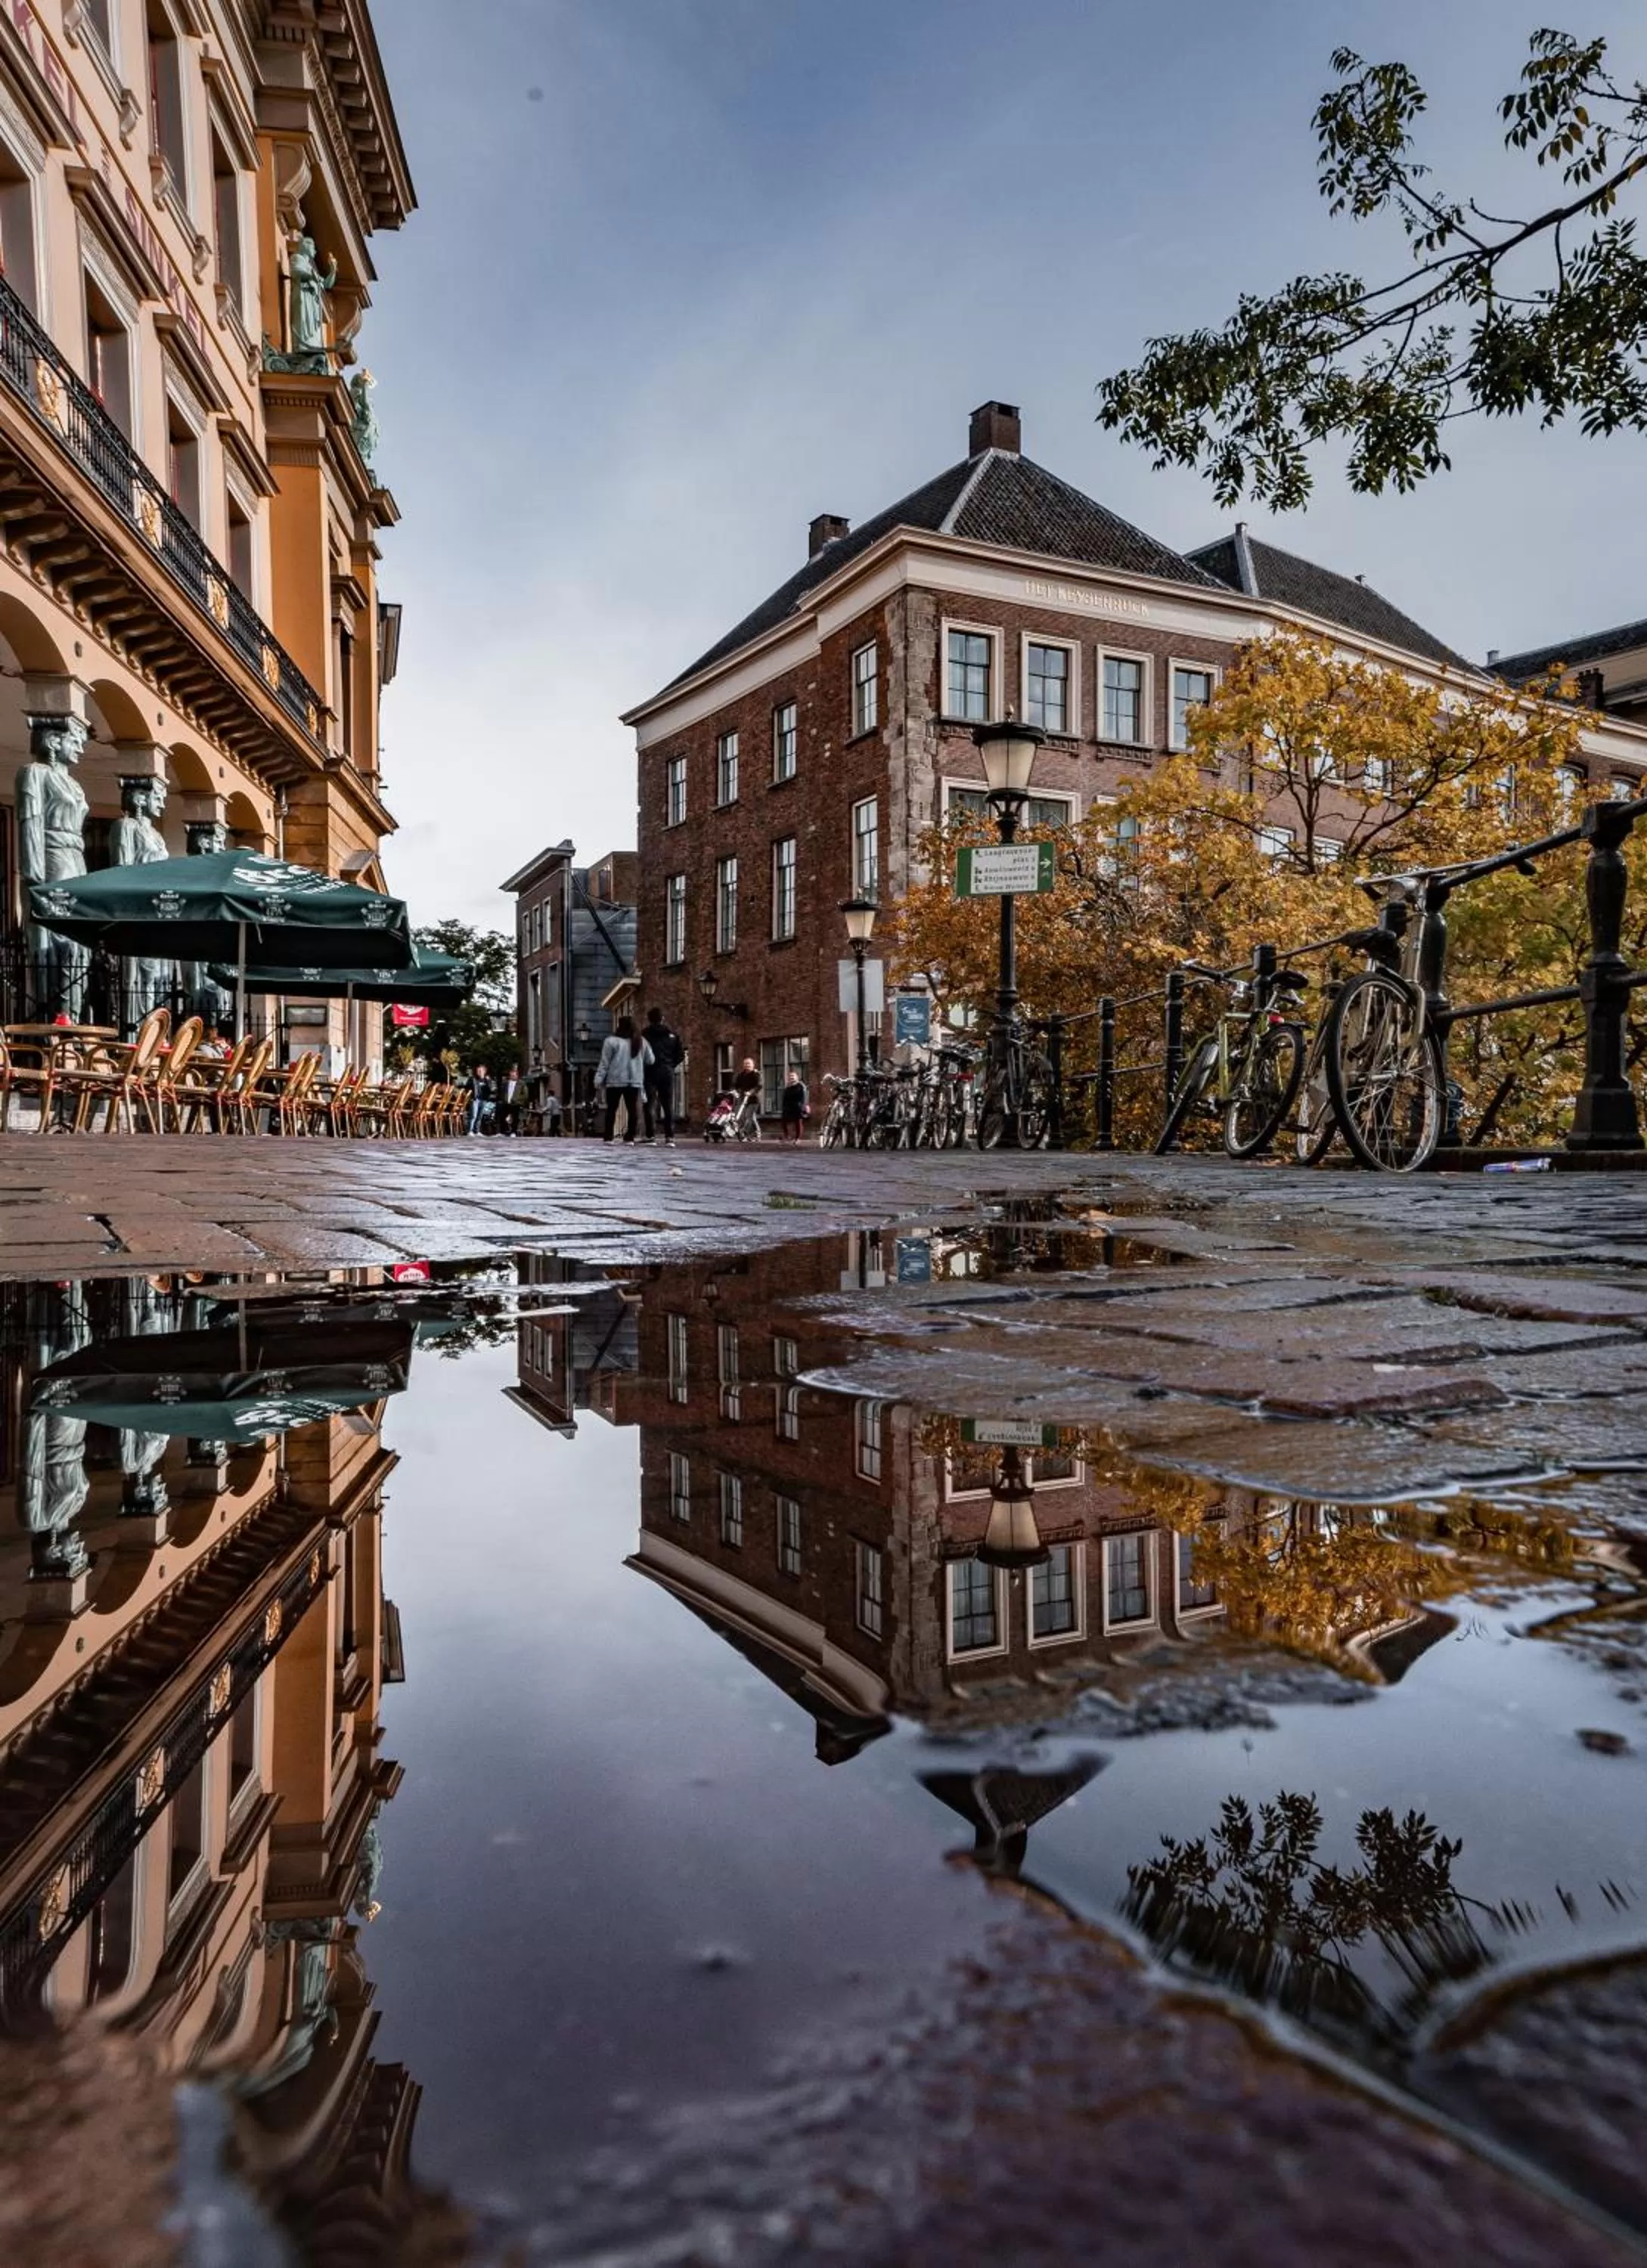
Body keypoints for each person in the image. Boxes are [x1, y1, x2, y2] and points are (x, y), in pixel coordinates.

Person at [595, 1016, 651, 1142]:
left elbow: (605, 1063)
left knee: (611, 1109)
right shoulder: (641, 1041)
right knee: (632, 1110)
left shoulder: (611, 1041)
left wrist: (598, 1079)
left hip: (615, 1080)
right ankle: (630, 1137)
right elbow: (651, 1060)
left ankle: (609, 1136)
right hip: (634, 1080)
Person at [641, 1005, 683, 1146]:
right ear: (662, 1019)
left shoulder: (644, 1035)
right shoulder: (672, 1035)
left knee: (650, 1104)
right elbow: (681, 1055)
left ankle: (651, 1136)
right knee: (668, 1105)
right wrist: (671, 1065)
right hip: (667, 1072)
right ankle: (670, 1137)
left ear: (649, 1019)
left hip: (650, 1072)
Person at [780, 1063, 810, 1142]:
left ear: (797, 1077)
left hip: (798, 1106)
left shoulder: (801, 1086)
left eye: (793, 1076)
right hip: (788, 1107)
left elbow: (804, 1096)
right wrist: (783, 1107)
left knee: (798, 1122)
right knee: (784, 1121)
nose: (791, 1078)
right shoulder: (788, 1087)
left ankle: (798, 1138)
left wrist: (804, 1106)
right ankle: (787, 1136)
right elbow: (784, 1098)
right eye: (790, 1077)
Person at [467, 1062, 492, 1136]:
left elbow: (490, 1089)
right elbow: (467, 1089)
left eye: (481, 1071)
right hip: (475, 1099)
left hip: (483, 1099)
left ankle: (476, 1131)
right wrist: (470, 1097)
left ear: (484, 1072)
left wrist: (488, 1081)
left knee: (480, 1116)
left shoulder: (487, 1080)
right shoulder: (473, 1079)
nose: (480, 1072)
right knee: (473, 1115)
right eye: (478, 1071)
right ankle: (470, 1131)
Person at [495, 1064, 521, 1136]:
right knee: (502, 1117)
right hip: (506, 1103)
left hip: (515, 1103)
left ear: (517, 1076)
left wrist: (519, 1101)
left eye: (514, 1075)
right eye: (511, 1075)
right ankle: (503, 1132)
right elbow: (502, 1092)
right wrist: (502, 1099)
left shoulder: (521, 1084)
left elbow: (525, 1094)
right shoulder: (506, 1083)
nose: (512, 1076)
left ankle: (513, 1132)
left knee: (515, 1119)